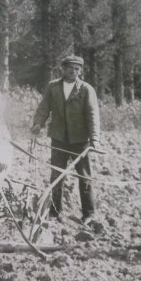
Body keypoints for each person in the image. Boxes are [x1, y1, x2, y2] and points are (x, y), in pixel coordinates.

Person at [31, 54, 101, 222]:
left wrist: (95, 139)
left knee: (85, 177)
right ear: (64, 68)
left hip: (80, 140)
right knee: (56, 175)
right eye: (71, 68)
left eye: (77, 69)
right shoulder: (53, 87)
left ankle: (89, 214)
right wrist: (38, 124)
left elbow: (93, 115)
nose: (74, 71)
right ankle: (55, 212)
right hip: (59, 138)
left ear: (81, 71)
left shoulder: (86, 89)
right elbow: (43, 108)